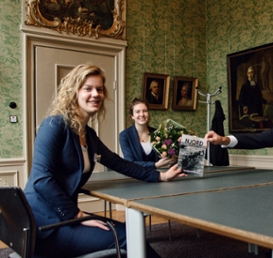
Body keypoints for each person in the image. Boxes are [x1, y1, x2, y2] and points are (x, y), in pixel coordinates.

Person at [23, 63, 185, 258]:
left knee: (128, 233)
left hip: (62, 218)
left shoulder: (88, 134)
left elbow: (119, 163)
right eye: (88, 88)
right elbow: (41, 180)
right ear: (73, 92)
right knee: (128, 236)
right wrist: (76, 215)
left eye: (99, 89)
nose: (96, 94)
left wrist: (160, 176)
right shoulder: (54, 125)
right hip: (44, 226)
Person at [119, 98, 176, 168]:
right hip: (136, 176)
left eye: (145, 111)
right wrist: (155, 165)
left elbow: (166, 155)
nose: (142, 114)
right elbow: (130, 163)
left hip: (159, 175)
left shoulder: (157, 133)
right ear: (132, 116)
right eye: (137, 112)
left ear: (148, 113)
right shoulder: (125, 135)